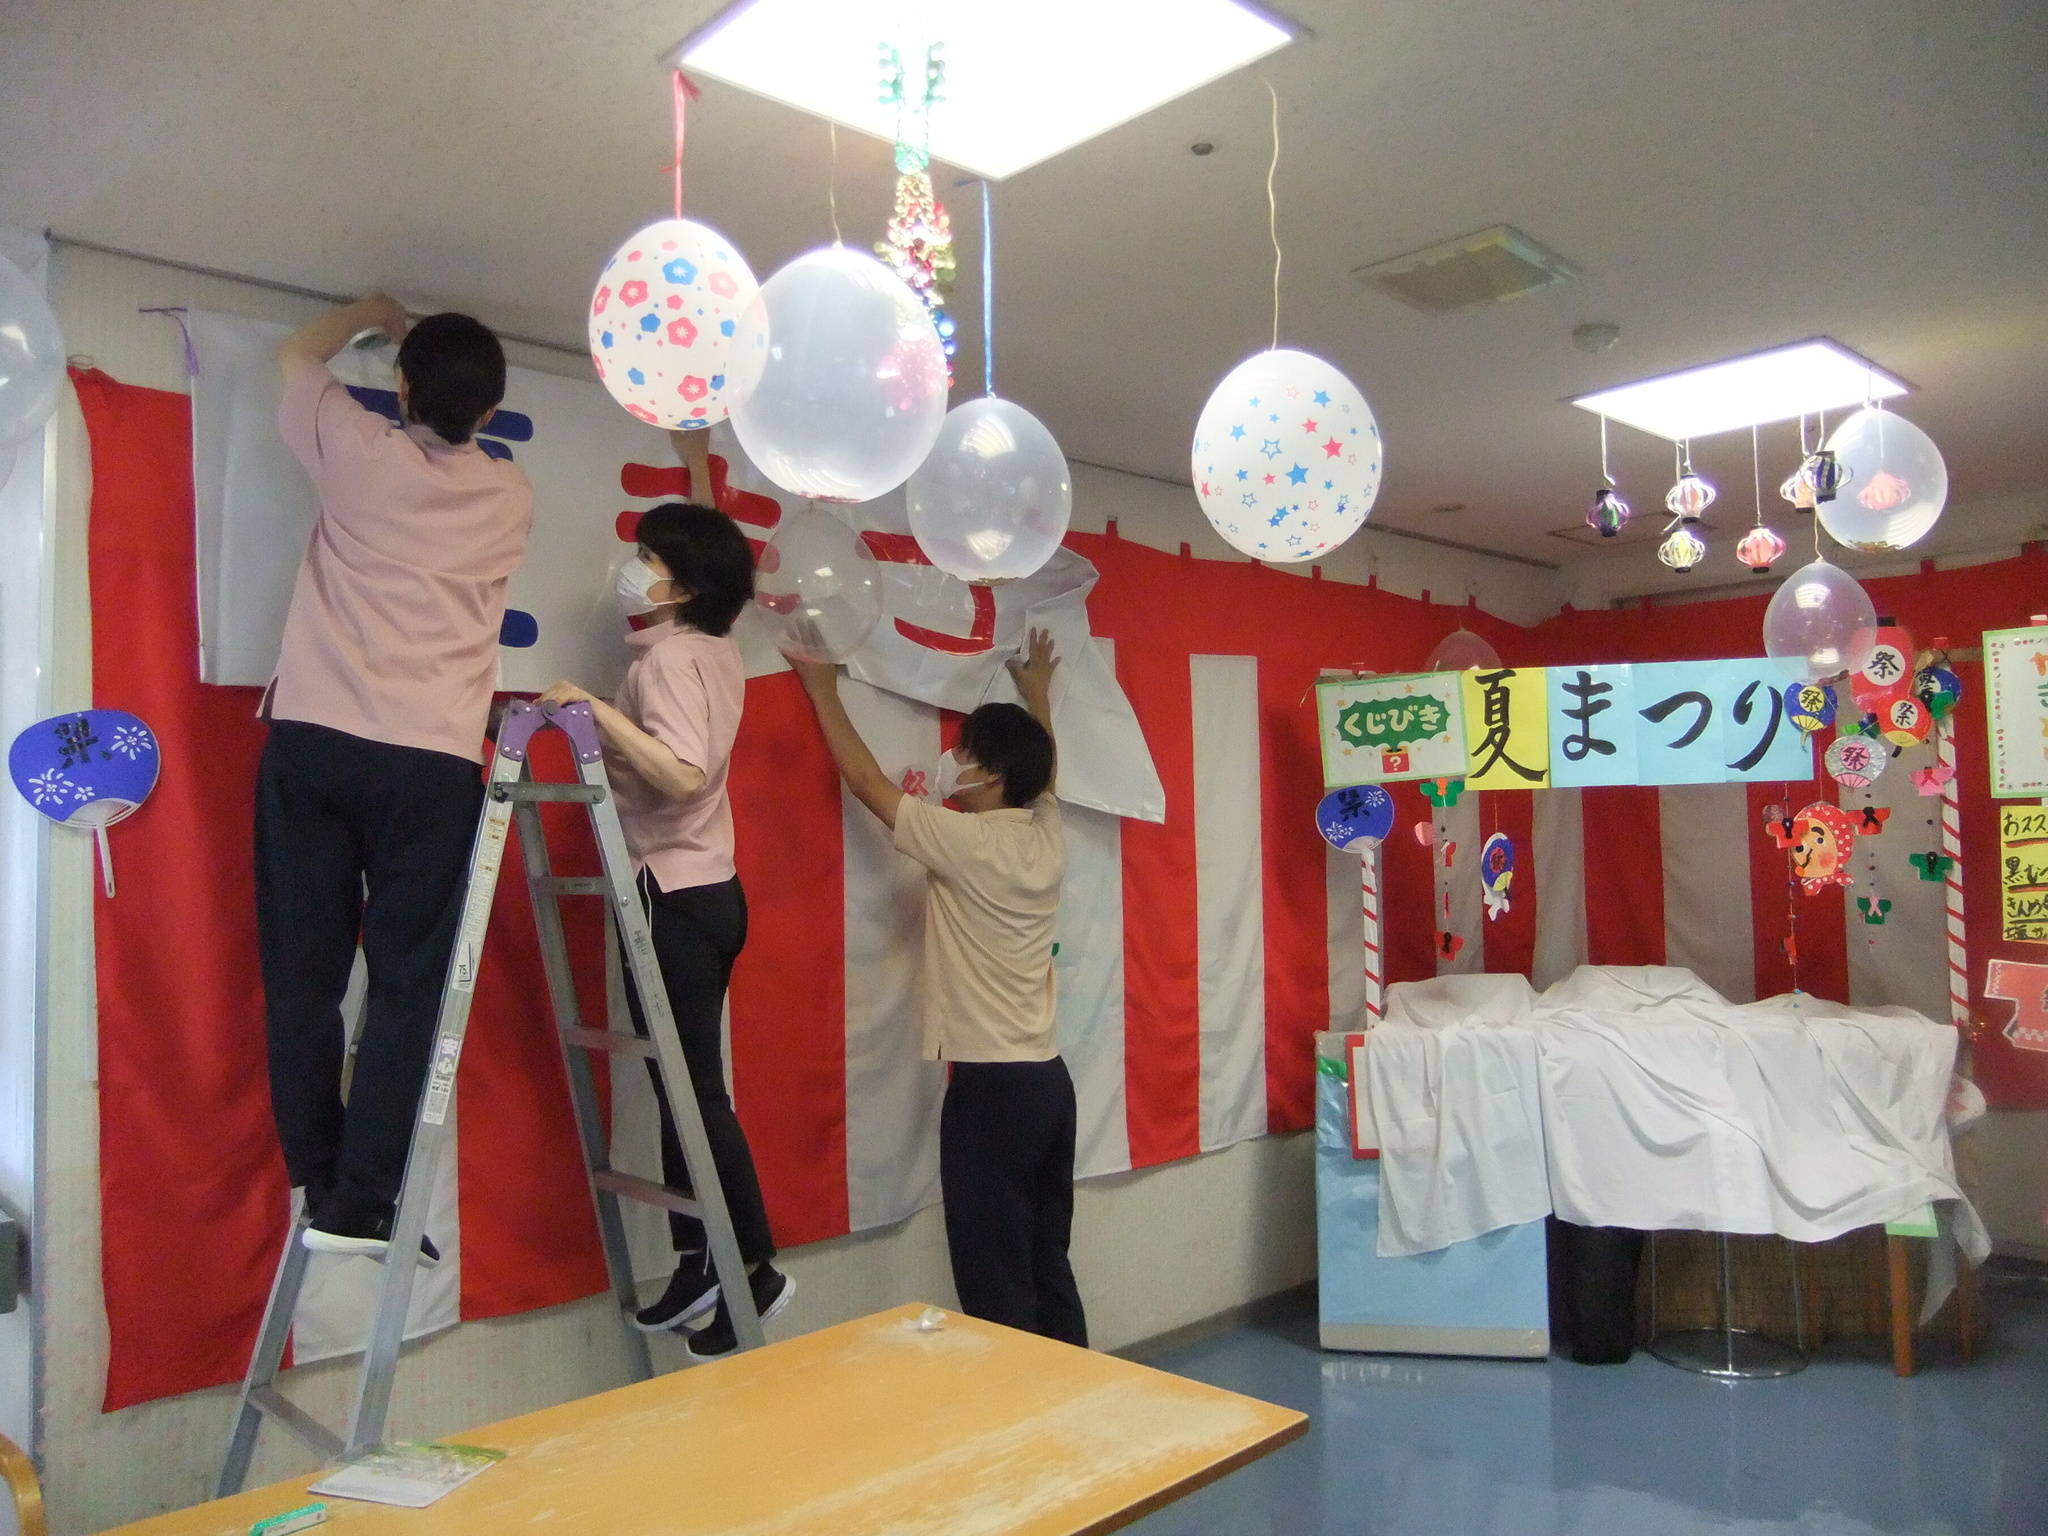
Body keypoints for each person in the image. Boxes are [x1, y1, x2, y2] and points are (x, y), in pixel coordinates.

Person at [256, 294, 533, 1264]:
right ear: (489, 416)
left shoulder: (358, 452)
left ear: (402, 387)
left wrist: (364, 312)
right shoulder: (509, 496)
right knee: (409, 985)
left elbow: (296, 353)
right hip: (431, 761)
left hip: (320, 741)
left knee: (304, 978)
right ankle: (361, 1198)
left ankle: (317, 1179)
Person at [541, 498, 792, 1358]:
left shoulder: (670, 662)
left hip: (675, 895)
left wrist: (591, 709)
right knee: (680, 1088)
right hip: (702, 890)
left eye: (647, 557)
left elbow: (682, 777)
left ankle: (754, 1265)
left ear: (682, 585)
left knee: (693, 1093)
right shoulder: (711, 652)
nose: (631, 566)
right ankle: (700, 1259)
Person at [790, 631, 1087, 1346]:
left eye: (963, 754)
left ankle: (1015, 1430)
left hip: (992, 1092)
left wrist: (823, 691)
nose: (949, 761)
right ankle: (1080, 1407)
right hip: (1048, 1083)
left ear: (987, 777)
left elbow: (868, 785)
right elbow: (1041, 776)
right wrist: (1038, 692)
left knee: (994, 1276)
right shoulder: (1045, 834)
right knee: (1046, 1260)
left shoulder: (968, 843)